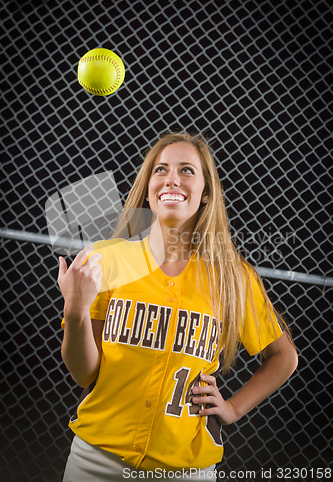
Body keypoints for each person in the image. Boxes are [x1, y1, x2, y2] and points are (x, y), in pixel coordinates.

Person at [57, 132, 298, 481]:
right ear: (149, 187)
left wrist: (232, 408)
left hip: (187, 468)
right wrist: (75, 310)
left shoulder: (232, 277)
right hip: (97, 460)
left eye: (187, 170)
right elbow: (84, 373)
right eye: (161, 170)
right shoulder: (105, 259)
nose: (172, 178)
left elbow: (284, 356)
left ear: (205, 194)